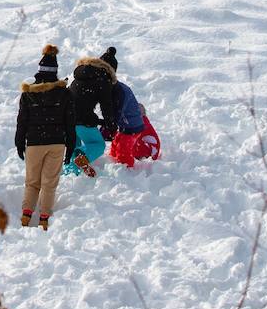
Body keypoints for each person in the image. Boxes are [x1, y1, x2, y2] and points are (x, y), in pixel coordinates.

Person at [14, 43, 76, 230]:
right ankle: (44, 219)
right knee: (49, 183)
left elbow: (22, 121)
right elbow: (70, 122)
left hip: (34, 143)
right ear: (55, 72)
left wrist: (19, 142)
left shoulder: (28, 95)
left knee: (32, 182)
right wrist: (71, 145)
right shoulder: (65, 94)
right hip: (57, 142)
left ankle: (26, 216)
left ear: (38, 72)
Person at [97, 48, 162, 167]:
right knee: (115, 146)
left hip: (132, 126)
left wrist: (108, 126)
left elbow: (116, 111)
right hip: (125, 125)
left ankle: (126, 171)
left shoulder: (119, 90)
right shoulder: (111, 87)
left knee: (123, 151)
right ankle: (113, 163)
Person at [64, 46, 118, 177]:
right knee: (97, 145)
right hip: (81, 119)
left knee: (73, 145)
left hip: (65, 117)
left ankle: (68, 175)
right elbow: (106, 106)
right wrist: (110, 125)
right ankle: (80, 159)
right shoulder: (103, 79)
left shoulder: (81, 74)